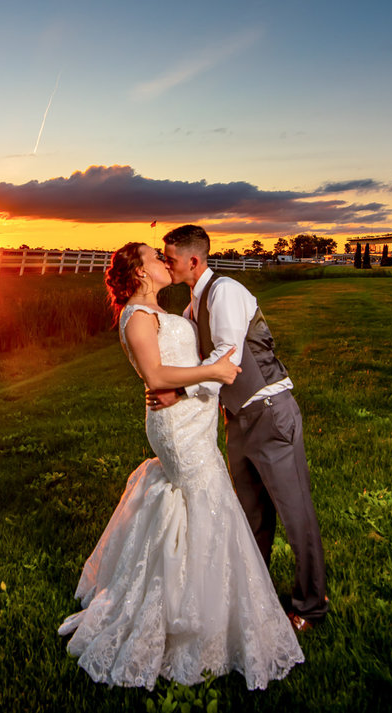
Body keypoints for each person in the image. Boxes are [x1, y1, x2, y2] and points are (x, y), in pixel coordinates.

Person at [58, 242, 303, 690]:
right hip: (176, 429)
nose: (163, 262)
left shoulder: (162, 311)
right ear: (139, 272)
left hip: (194, 421)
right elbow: (155, 377)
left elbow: (179, 363)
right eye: (155, 257)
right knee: (202, 499)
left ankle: (207, 599)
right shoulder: (137, 316)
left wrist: (203, 376)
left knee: (202, 502)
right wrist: (213, 374)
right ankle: (185, 616)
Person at [154, 225, 328, 631]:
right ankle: (257, 594)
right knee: (251, 516)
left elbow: (225, 360)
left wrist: (177, 392)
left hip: (269, 413)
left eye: (170, 258)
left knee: (294, 513)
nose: (166, 263)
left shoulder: (225, 291)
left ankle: (311, 607)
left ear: (193, 261)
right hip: (238, 424)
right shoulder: (191, 310)